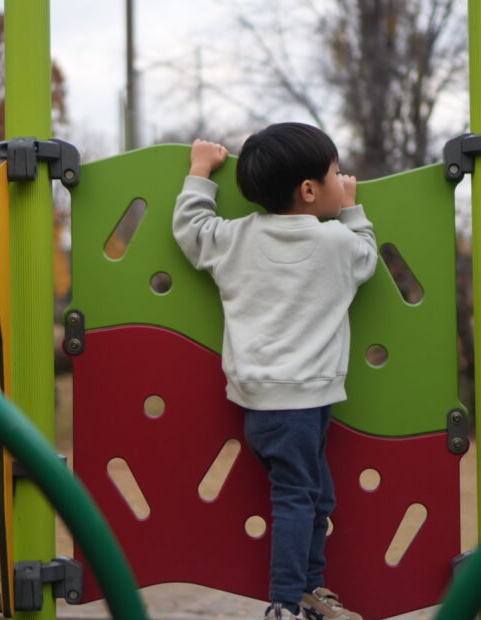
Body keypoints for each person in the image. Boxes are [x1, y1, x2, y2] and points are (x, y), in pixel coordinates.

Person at [172, 123, 378, 620]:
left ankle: (309, 588)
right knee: (296, 499)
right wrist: (353, 207)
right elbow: (367, 254)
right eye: (334, 174)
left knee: (312, 494)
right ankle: (286, 603)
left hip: (265, 398)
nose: (340, 178)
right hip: (304, 401)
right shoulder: (335, 243)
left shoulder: (236, 237)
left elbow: (191, 230)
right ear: (309, 190)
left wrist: (200, 173)